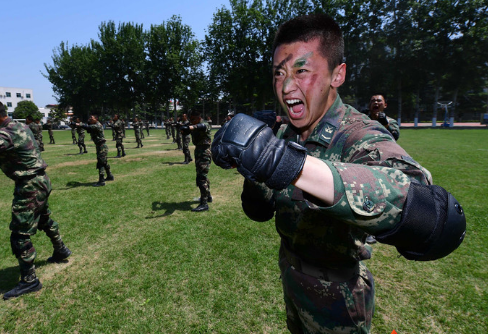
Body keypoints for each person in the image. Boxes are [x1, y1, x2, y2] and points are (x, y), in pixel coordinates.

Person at [211, 13, 466, 333]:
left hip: (338, 301)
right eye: (279, 73)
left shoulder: (359, 134)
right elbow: (260, 211)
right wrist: (249, 168)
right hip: (292, 278)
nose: (287, 85)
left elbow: (432, 216)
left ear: (337, 74)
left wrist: (283, 164)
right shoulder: (289, 133)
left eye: (301, 70)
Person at [0, 102, 72, 300]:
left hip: (29, 185)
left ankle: (30, 280)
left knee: (19, 233)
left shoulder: (6, 134)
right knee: (43, 219)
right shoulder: (19, 126)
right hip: (40, 181)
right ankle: (61, 250)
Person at [181, 110, 212, 212]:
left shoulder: (204, 124)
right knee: (203, 176)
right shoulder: (194, 124)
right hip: (199, 151)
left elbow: (200, 127)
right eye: (191, 119)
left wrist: (190, 127)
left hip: (204, 152)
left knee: (201, 178)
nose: (192, 121)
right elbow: (187, 130)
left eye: (194, 119)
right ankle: (208, 196)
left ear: (199, 118)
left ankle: (204, 204)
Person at [78, 115, 114, 186]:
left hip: (102, 146)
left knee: (100, 163)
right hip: (99, 146)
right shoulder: (93, 125)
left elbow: (88, 127)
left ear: (96, 119)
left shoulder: (98, 125)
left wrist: (79, 124)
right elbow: (88, 129)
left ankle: (101, 181)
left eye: (92, 118)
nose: (90, 119)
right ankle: (109, 176)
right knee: (104, 162)